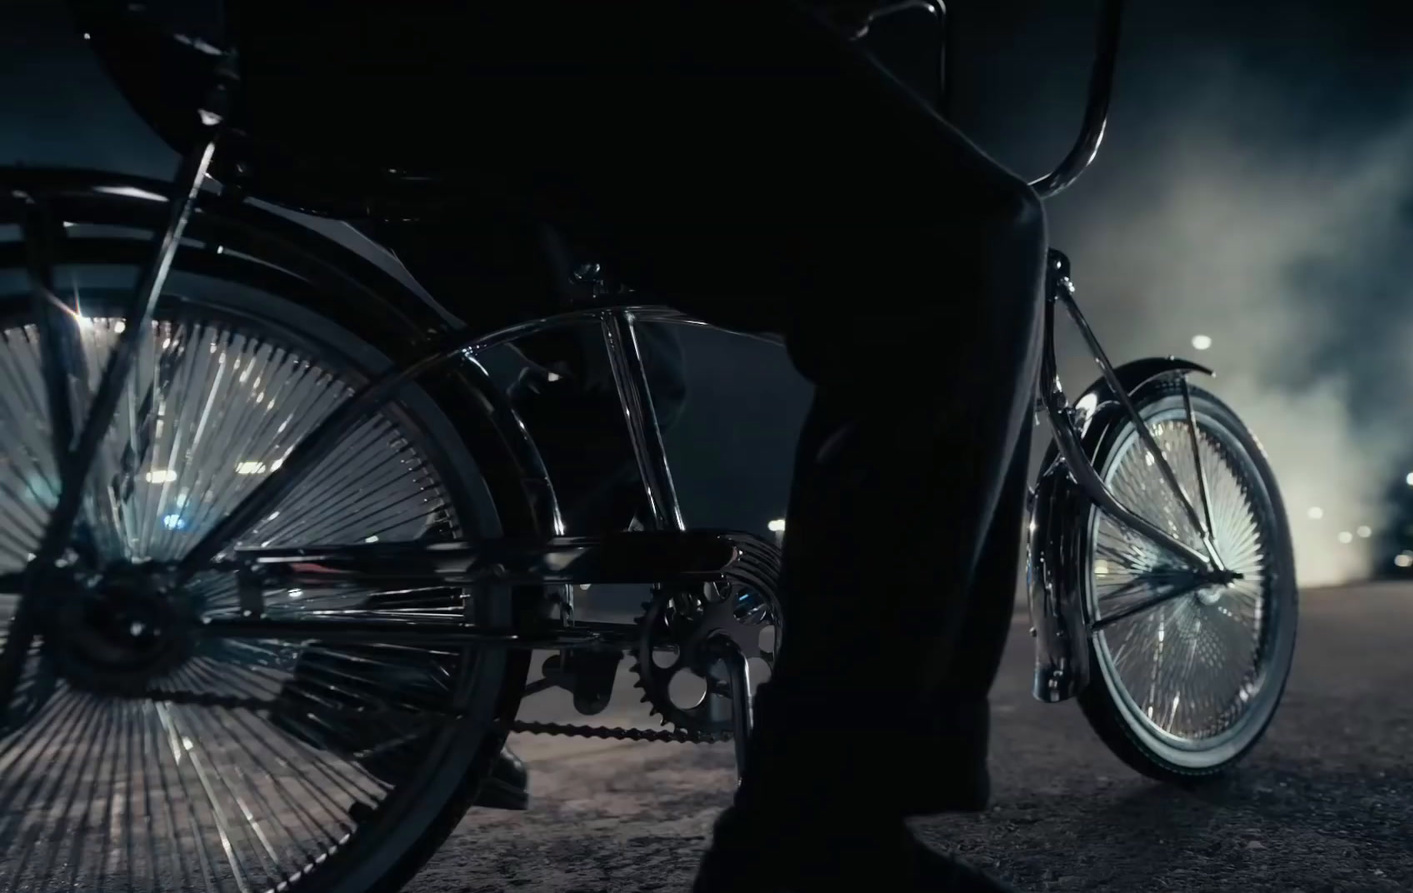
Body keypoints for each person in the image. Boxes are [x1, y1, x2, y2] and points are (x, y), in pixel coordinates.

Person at [213, 2, 1050, 889]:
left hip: (318, 55)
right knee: (964, 240)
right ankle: (820, 824)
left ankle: (393, 659)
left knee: (612, 365)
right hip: (467, 45)